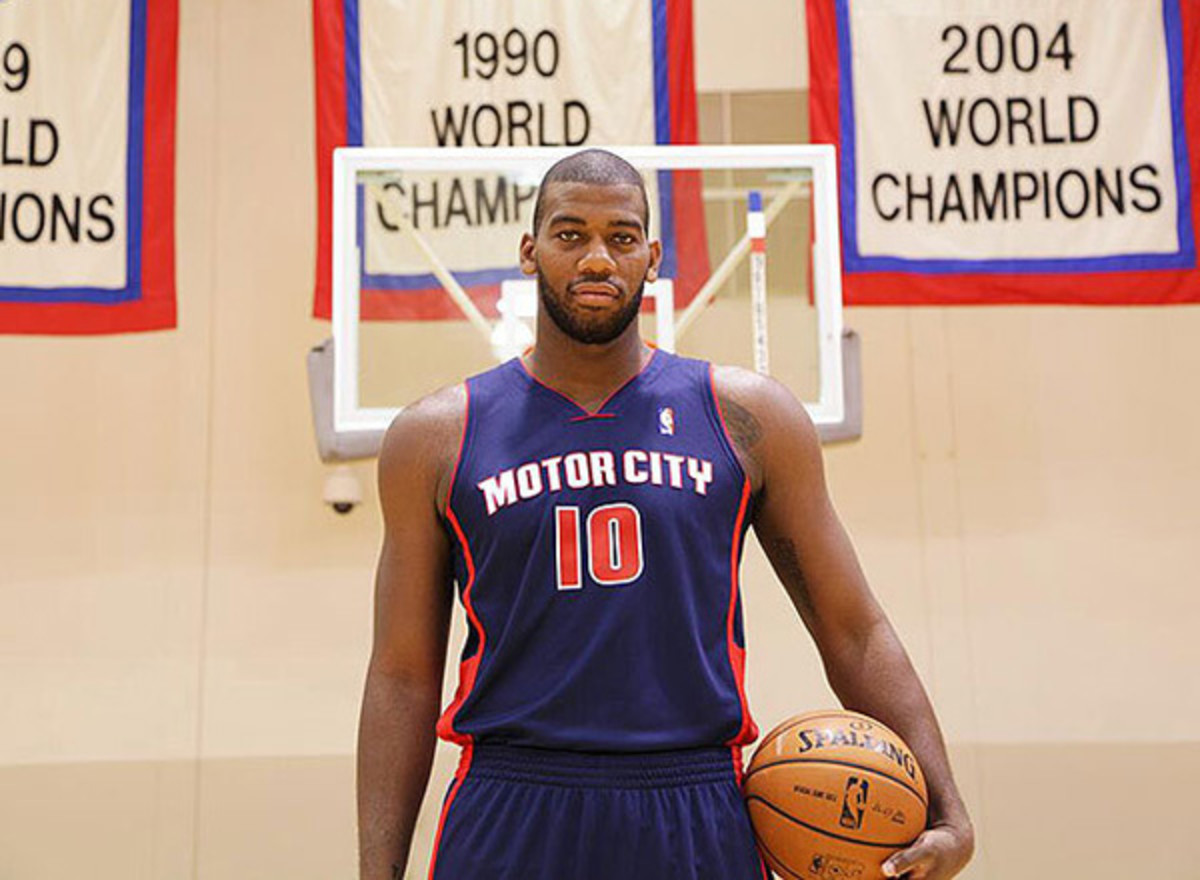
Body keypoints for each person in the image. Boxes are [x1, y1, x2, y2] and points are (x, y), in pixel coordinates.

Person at [357, 148, 975, 880]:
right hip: (511, 800)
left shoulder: (748, 418)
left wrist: (949, 809)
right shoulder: (437, 437)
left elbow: (854, 629)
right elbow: (401, 674)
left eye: (620, 238)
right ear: (529, 252)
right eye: (569, 234)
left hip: (693, 802)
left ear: (652, 258)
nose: (596, 258)